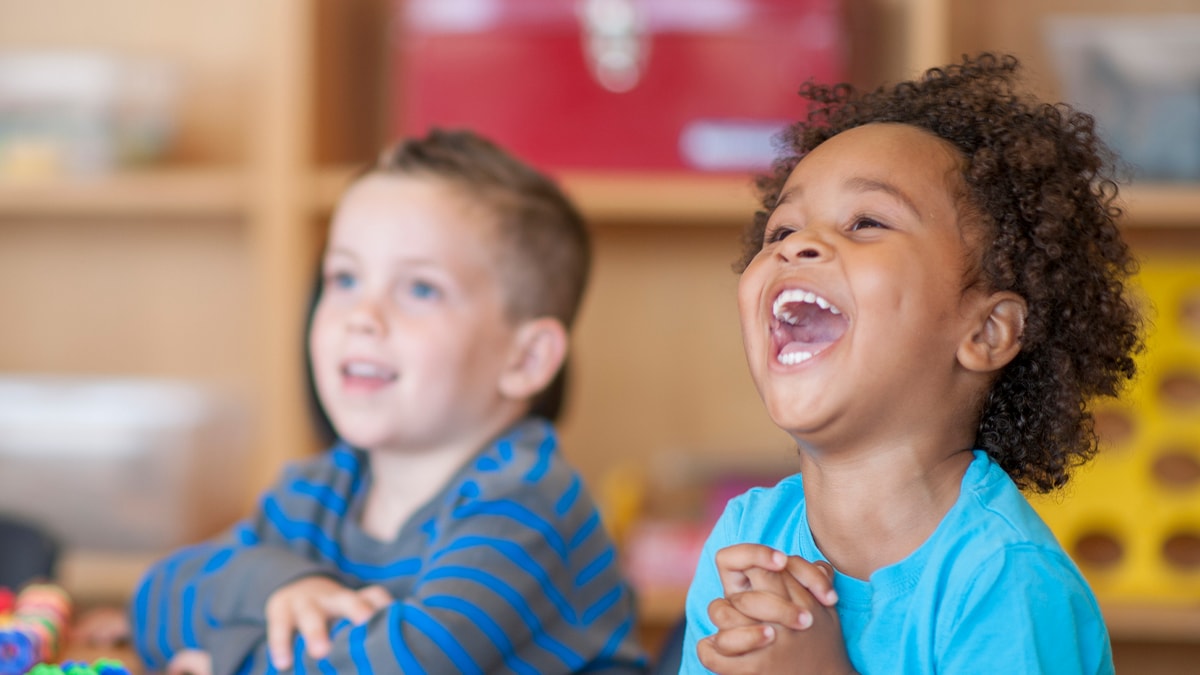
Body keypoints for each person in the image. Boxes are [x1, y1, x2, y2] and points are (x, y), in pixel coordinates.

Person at [680, 53, 1142, 674]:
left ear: (985, 331)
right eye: (780, 230)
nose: (797, 244)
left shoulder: (1004, 580)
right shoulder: (746, 539)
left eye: (866, 222)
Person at [129, 129, 647, 675]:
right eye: (345, 278)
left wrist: (229, 659)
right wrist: (281, 585)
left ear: (526, 359)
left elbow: (404, 665)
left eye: (420, 289)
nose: (363, 316)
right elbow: (156, 604)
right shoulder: (316, 494)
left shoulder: (527, 503)